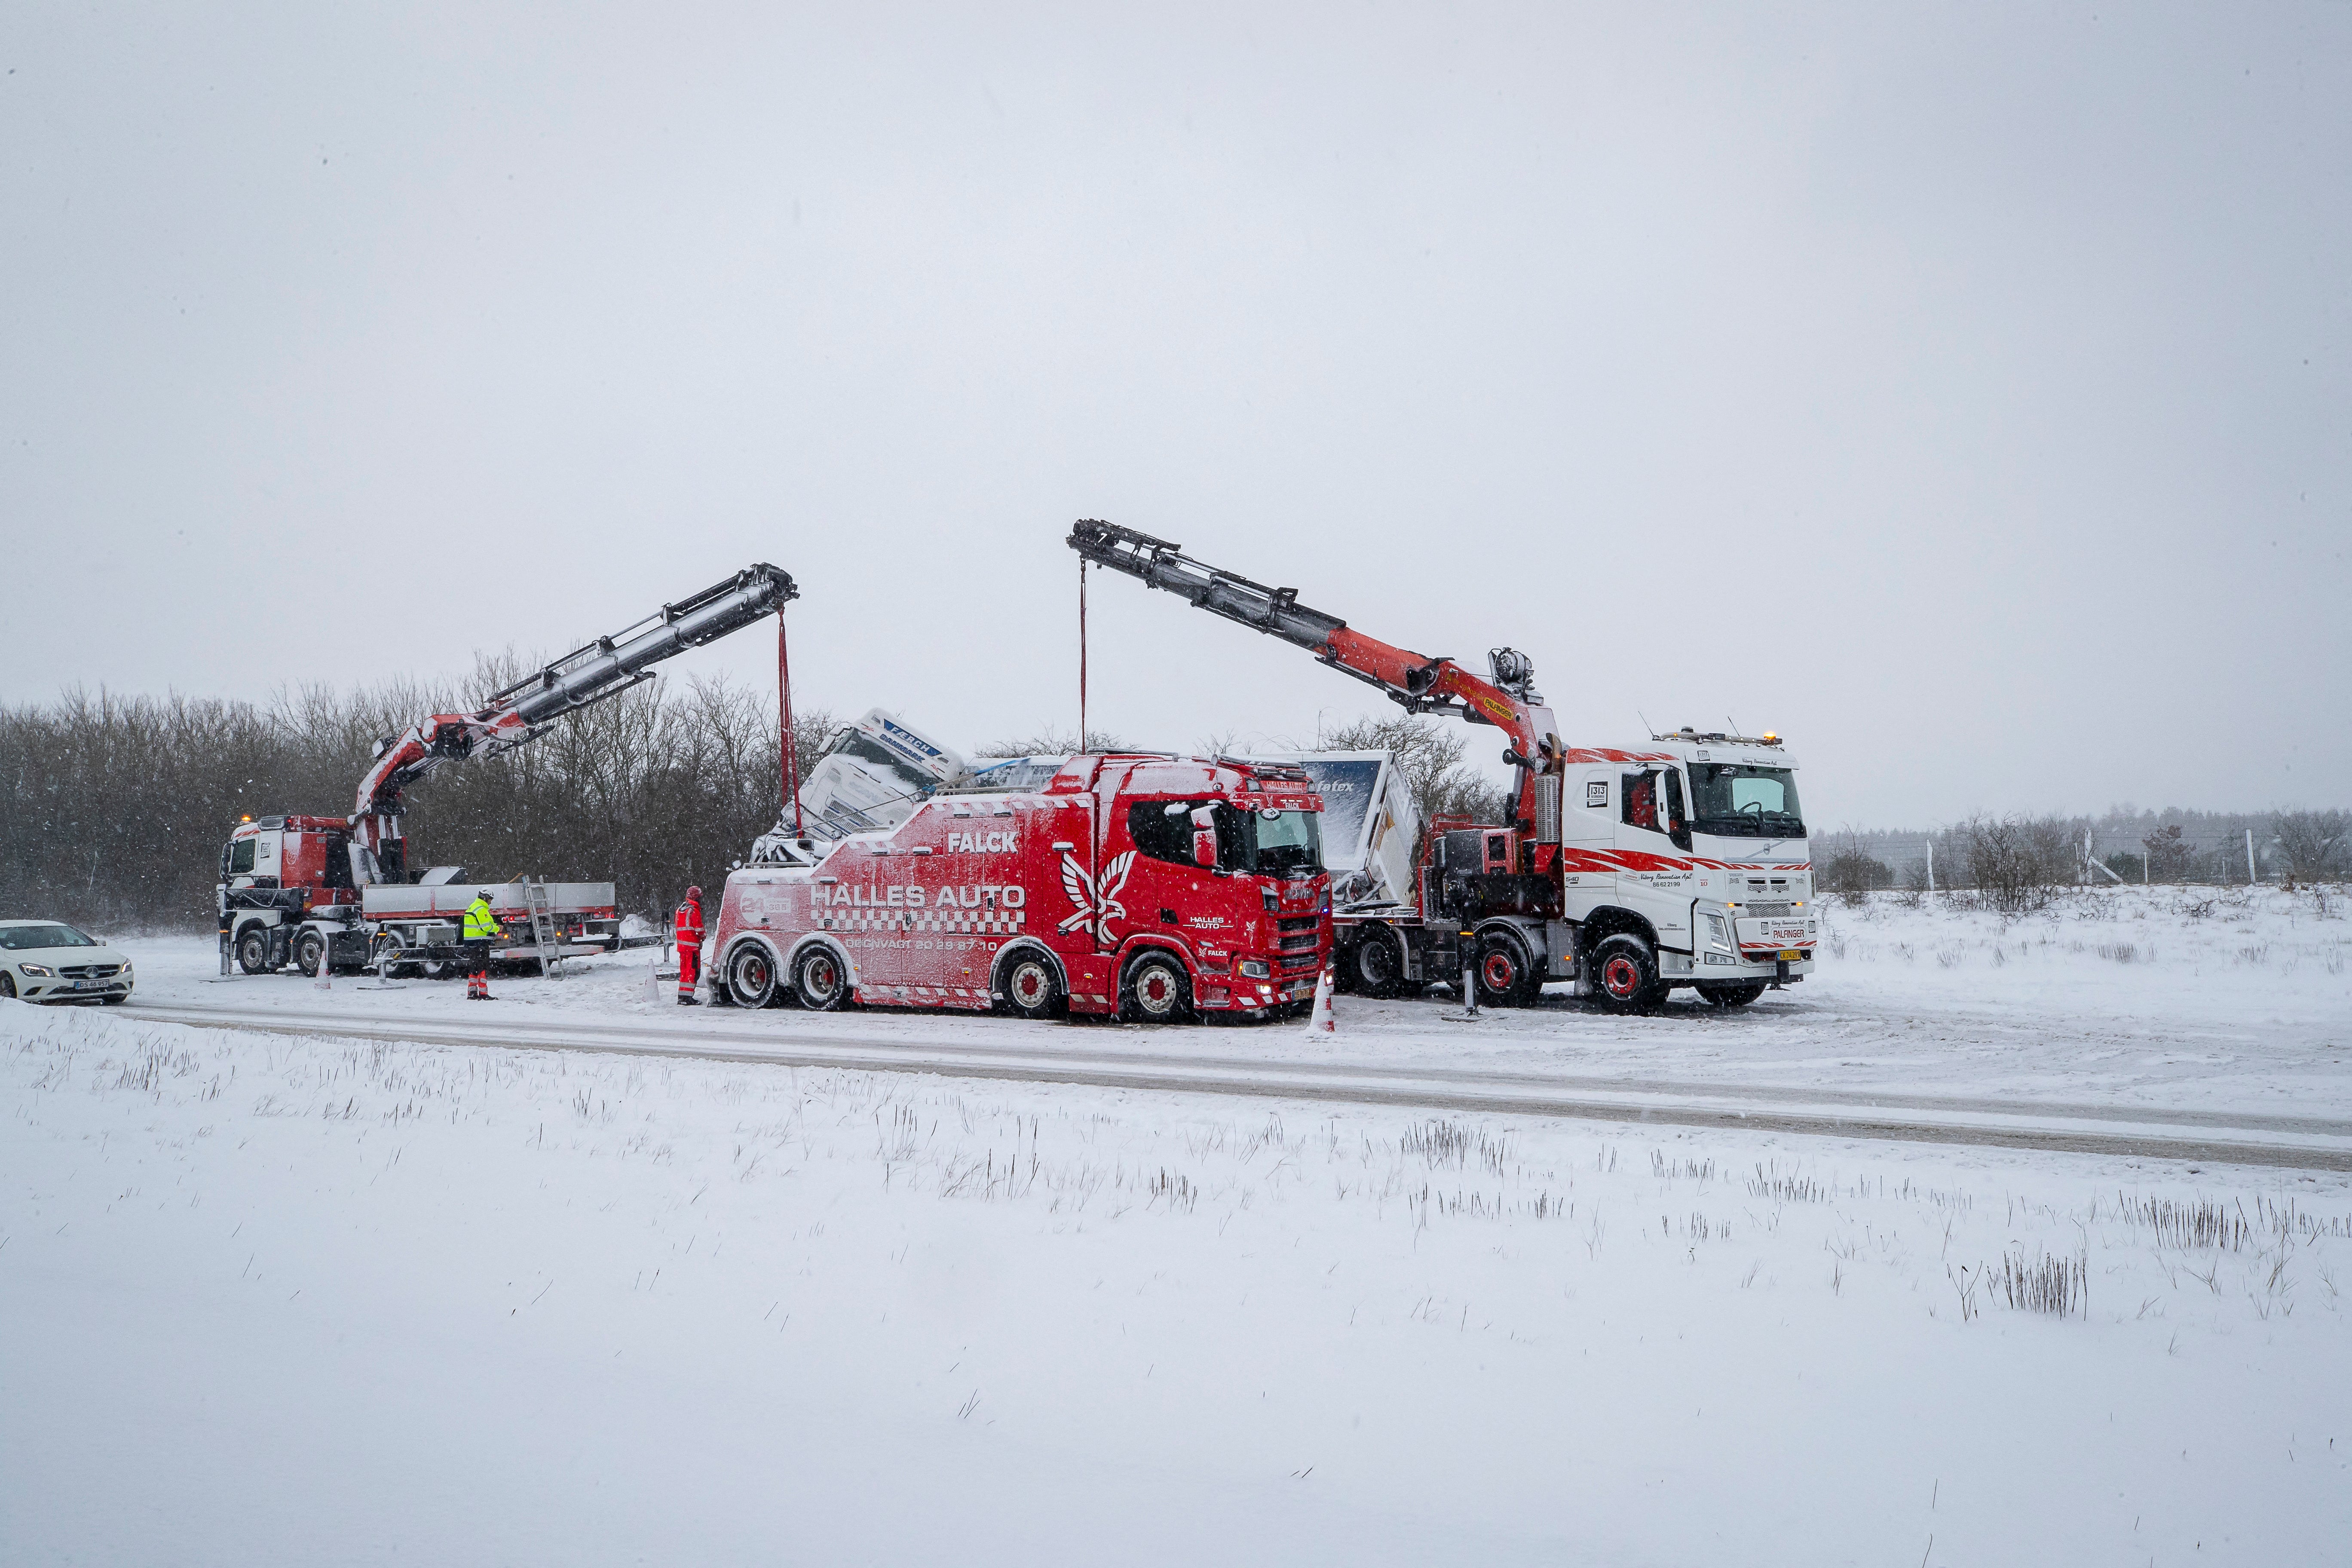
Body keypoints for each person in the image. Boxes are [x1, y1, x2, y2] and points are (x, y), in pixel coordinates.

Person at [462, 888, 503, 1000]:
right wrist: (497, 928)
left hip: (472, 943)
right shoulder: (481, 910)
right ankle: (483, 993)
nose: (491, 902)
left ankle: (472, 993)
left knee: (474, 968)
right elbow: (486, 927)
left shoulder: (473, 907)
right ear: (485, 898)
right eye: (490, 899)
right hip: (480, 943)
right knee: (483, 968)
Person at [674, 886, 705, 1005]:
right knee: (693, 972)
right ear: (696, 897)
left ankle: (682, 996)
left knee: (685, 972)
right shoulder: (693, 911)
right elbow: (699, 930)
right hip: (692, 948)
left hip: (682, 948)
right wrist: (703, 936)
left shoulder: (679, 911)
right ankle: (687, 998)